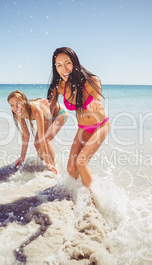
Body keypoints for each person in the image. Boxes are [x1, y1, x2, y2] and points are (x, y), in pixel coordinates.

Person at [46, 47, 110, 194]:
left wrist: (97, 105)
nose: (64, 68)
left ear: (75, 63)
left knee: (81, 161)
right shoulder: (60, 87)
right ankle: (79, 193)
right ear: (55, 68)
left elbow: (98, 100)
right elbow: (50, 111)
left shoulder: (92, 81)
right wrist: (44, 108)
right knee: (70, 169)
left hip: (100, 125)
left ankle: (95, 199)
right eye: (59, 65)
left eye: (68, 63)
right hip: (83, 127)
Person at [7, 90, 68, 174]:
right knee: (36, 143)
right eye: (12, 105)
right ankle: (45, 164)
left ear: (24, 101)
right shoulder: (17, 113)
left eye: (18, 103)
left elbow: (42, 137)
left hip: (60, 113)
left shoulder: (35, 109)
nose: (16, 107)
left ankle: (52, 168)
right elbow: (26, 135)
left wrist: (48, 163)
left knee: (46, 141)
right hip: (47, 116)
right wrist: (22, 157)